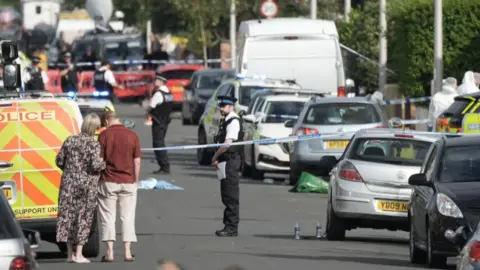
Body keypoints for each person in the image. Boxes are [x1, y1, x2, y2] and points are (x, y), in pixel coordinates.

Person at [55, 113, 106, 263]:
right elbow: (95, 165)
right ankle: (79, 254)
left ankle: (69, 255)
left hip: (68, 185)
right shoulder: (93, 144)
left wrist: (70, 169)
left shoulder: (70, 140)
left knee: (67, 218)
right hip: (86, 186)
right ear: (94, 128)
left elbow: (59, 160)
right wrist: (105, 163)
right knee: (83, 218)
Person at [97, 111, 141, 262]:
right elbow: (137, 161)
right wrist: (136, 180)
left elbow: (100, 160)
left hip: (108, 180)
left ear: (108, 121)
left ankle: (109, 253)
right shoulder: (132, 135)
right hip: (128, 180)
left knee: (108, 217)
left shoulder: (104, 135)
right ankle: (127, 252)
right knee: (127, 217)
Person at [211, 95, 244, 237]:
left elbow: (227, 143)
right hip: (226, 160)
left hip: (231, 160)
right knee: (226, 194)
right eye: (220, 106)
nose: (221, 108)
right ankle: (228, 225)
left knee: (231, 195)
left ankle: (231, 227)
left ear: (231, 107)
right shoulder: (226, 120)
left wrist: (215, 156)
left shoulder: (233, 121)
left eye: (223, 106)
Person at [147, 72, 174, 175]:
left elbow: (151, 107)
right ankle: (164, 166)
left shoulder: (159, 94)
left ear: (161, 81)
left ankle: (164, 167)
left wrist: (148, 110)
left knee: (158, 144)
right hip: (165, 121)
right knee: (160, 142)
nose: (154, 82)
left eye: (156, 80)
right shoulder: (169, 94)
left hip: (158, 121)